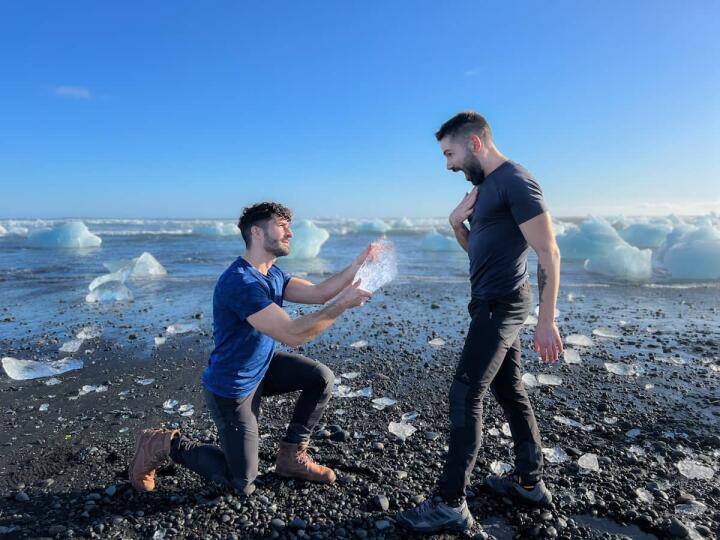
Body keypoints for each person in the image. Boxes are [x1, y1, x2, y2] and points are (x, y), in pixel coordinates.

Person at [129, 202, 374, 496]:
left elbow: (318, 293)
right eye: (282, 226)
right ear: (257, 232)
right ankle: (163, 444)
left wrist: (359, 264)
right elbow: (292, 334)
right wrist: (343, 305)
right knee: (241, 483)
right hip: (233, 389)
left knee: (320, 377)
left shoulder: (273, 274)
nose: (291, 233)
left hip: (262, 368)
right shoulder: (241, 282)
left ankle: (292, 456)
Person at [397, 112, 563, 533]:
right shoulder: (484, 188)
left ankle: (450, 502)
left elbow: (549, 253)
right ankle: (528, 481)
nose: (448, 164)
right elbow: (479, 252)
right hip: (488, 302)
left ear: (474, 144)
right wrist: (456, 224)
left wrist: (547, 321)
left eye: (450, 153)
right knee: (508, 390)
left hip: (502, 306)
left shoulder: (516, 181)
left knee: (465, 394)